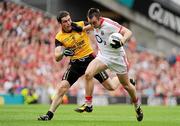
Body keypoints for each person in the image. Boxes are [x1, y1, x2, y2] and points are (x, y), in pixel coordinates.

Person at [37, 10, 133, 121]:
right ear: (60, 23)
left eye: (69, 20)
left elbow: (96, 25)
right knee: (61, 88)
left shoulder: (81, 24)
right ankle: (49, 114)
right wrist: (63, 53)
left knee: (110, 87)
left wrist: (83, 28)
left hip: (90, 60)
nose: (68, 23)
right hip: (75, 65)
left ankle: (127, 80)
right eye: (65, 21)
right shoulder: (59, 37)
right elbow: (57, 56)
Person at [75, 8, 143, 122]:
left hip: (118, 59)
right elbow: (92, 26)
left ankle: (137, 106)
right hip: (103, 56)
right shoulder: (94, 24)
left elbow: (128, 32)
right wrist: (83, 28)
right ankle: (88, 104)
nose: (93, 25)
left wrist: (122, 41)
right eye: (90, 23)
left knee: (126, 86)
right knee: (88, 74)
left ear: (100, 18)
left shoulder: (109, 24)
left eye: (94, 23)